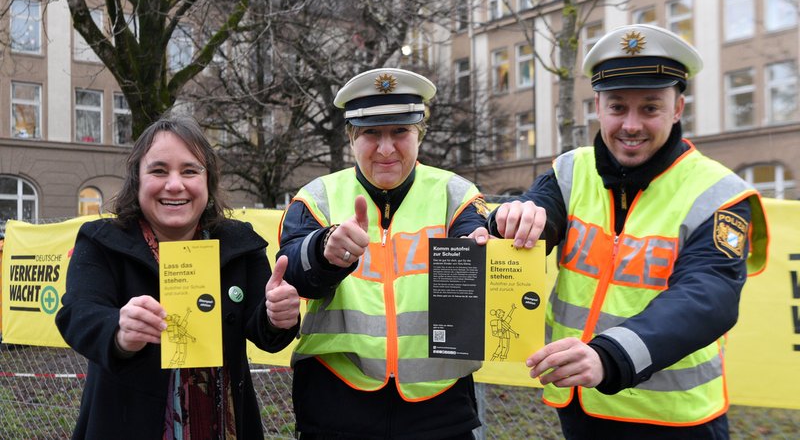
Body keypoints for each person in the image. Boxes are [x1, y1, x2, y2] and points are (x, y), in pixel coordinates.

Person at [491, 24, 769, 439]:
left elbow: (708, 297)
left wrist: (611, 355)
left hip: (674, 419)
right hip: (583, 405)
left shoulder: (719, 193)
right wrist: (508, 220)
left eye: (650, 108)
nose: (631, 124)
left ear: (677, 109)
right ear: (598, 107)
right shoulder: (570, 170)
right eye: (618, 107)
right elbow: (538, 215)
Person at [55, 116, 301, 439]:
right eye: (158, 171)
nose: (174, 185)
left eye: (189, 171)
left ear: (208, 180)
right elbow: (77, 313)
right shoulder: (102, 241)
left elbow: (263, 328)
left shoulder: (239, 244)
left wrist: (277, 316)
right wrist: (118, 330)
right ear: (137, 180)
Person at [278, 68, 491, 439]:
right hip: (337, 402)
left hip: (438, 409)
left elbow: (479, 240)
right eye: (371, 133)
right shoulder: (317, 196)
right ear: (351, 138)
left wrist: (497, 231)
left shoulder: (455, 193)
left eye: (400, 132)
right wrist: (325, 249)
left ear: (419, 134)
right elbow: (293, 271)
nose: (386, 148)